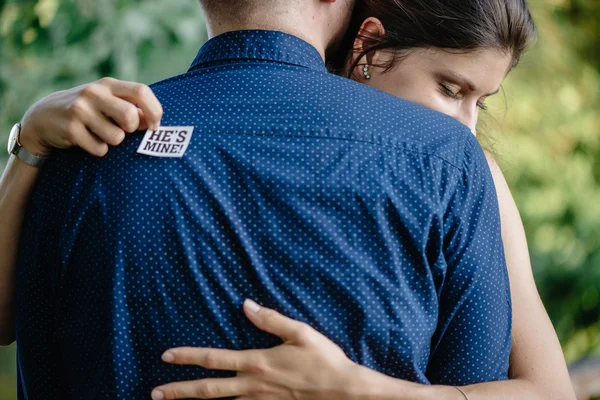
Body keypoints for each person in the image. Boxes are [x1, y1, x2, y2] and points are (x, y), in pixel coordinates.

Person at [0, 0, 575, 399]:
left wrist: (360, 390)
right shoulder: (445, 163)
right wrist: (27, 143)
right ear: (367, 41)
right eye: (450, 89)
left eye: (480, 100)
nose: (467, 124)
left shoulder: (88, 154)